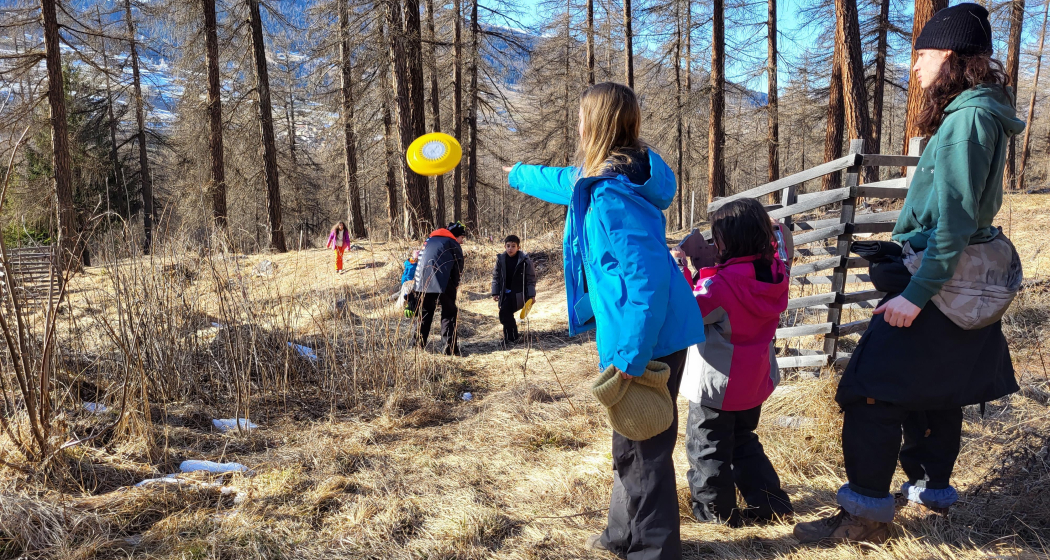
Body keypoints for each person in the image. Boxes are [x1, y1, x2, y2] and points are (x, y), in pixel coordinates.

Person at [793, 3, 1022, 544]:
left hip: (940, 283)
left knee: (871, 391)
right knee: (937, 389)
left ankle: (866, 516)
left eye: (923, 54)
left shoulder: (967, 121)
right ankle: (928, 494)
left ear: (951, 56)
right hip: (955, 279)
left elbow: (956, 219)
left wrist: (916, 294)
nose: (914, 66)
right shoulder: (979, 111)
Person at [503, 82, 705, 559]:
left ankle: (653, 551)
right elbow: (562, 181)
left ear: (595, 124)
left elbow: (648, 281)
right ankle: (621, 536)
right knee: (629, 443)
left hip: (649, 337)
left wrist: (632, 354)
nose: (576, 125)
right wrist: (517, 173)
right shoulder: (608, 177)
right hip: (641, 331)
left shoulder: (614, 195)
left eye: (581, 117)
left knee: (646, 454)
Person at [672, 199, 793, 528]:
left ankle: (716, 515)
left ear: (728, 241)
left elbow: (688, 309)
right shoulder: (776, 273)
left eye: (717, 237)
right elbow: (781, 246)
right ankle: (771, 504)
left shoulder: (721, 286)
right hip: (754, 381)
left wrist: (681, 267)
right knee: (743, 441)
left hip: (717, 385)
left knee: (706, 449)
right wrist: (771, 231)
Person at [413, 222, 467, 356]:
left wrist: (417, 285)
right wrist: (455, 284)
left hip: (422, 282)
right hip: (444, 280)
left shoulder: (428, 241)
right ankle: (449, 349)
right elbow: (458, 266)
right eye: (462, 238)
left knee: (424, 313)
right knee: (449, 312)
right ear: (456, 235)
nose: (462, 241)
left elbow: (420, 263)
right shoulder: (452, 243)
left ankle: (416, 347)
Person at [490, 235, 536, 347]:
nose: (510, 248)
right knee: (506, 314)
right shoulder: (501, 259)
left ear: (518, 247)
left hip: (519, 294)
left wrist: (531, 295)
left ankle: (510, 338)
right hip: (505, 293)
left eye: (513, 246)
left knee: (504, 313)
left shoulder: (525, 261)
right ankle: (512, 337)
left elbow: (531, 279)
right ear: (504, 246)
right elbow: (496, 276)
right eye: (508, 246)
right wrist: (495, 292)